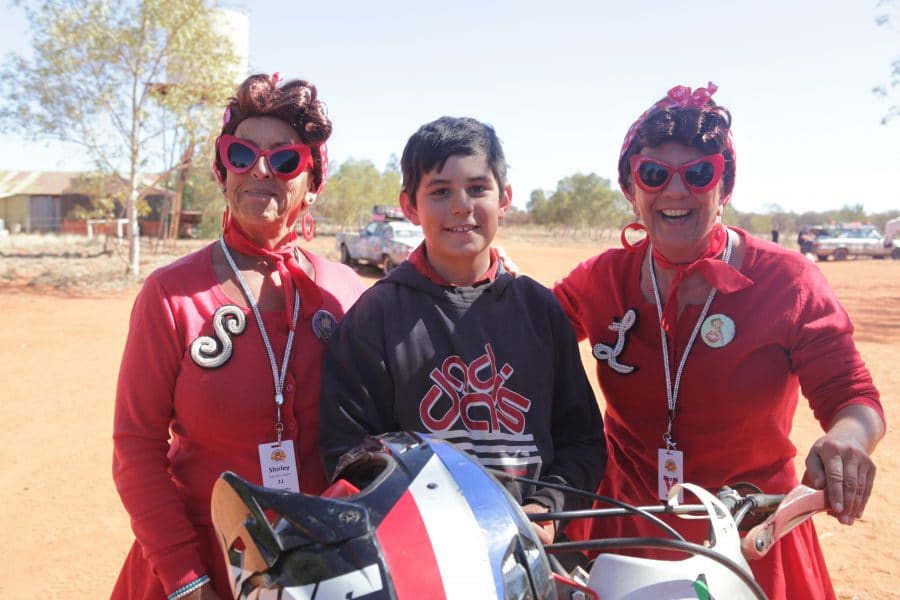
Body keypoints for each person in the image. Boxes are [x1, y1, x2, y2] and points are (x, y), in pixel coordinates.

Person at [552, 83, 884, 599]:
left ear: (723, 186)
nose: (675, 191)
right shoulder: (600, 280)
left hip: (750, 541)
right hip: (628, 533)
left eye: (699, 173)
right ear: (631, 188)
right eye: (654, 174)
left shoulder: (787, 282)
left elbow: (853, 396)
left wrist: (848, 438)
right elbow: (525, 336)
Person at [111, 73, 365, 600]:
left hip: (319, 570)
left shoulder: (345, 292)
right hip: (197, 568)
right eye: (242, 154)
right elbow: (136, 448)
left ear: (313, 182)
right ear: (222, 170)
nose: (260, 170)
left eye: (286, 159)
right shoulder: (171, 295)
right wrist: (187, 579)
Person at [318, 116, 607, 544]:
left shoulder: (540, 310)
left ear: (504, 199)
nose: (461, 206)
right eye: (440, 192)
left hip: (530, 548)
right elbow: (348, 451)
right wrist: (418, 523)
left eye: (477, 188)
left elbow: (581, 439)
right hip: (424, 552)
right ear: (409, 206)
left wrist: (546, 508)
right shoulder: (376, 316)